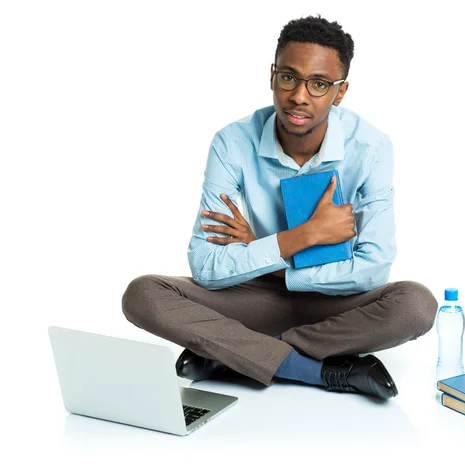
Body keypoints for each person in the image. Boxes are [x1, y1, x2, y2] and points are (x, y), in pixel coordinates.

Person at [121, 15, 438, 400]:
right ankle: (313, 370)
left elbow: (372, 270)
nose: (299, 96)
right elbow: (205, 268)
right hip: (254, 297)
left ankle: (233, 352)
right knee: (143, 294)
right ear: (272, 75)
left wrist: (269, 258)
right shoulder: (232, 142)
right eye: (288, 77)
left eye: (319, 84)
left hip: (337, 305)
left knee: (417, 306)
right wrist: (305, 236)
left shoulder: (370, 148)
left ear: (340, 93)